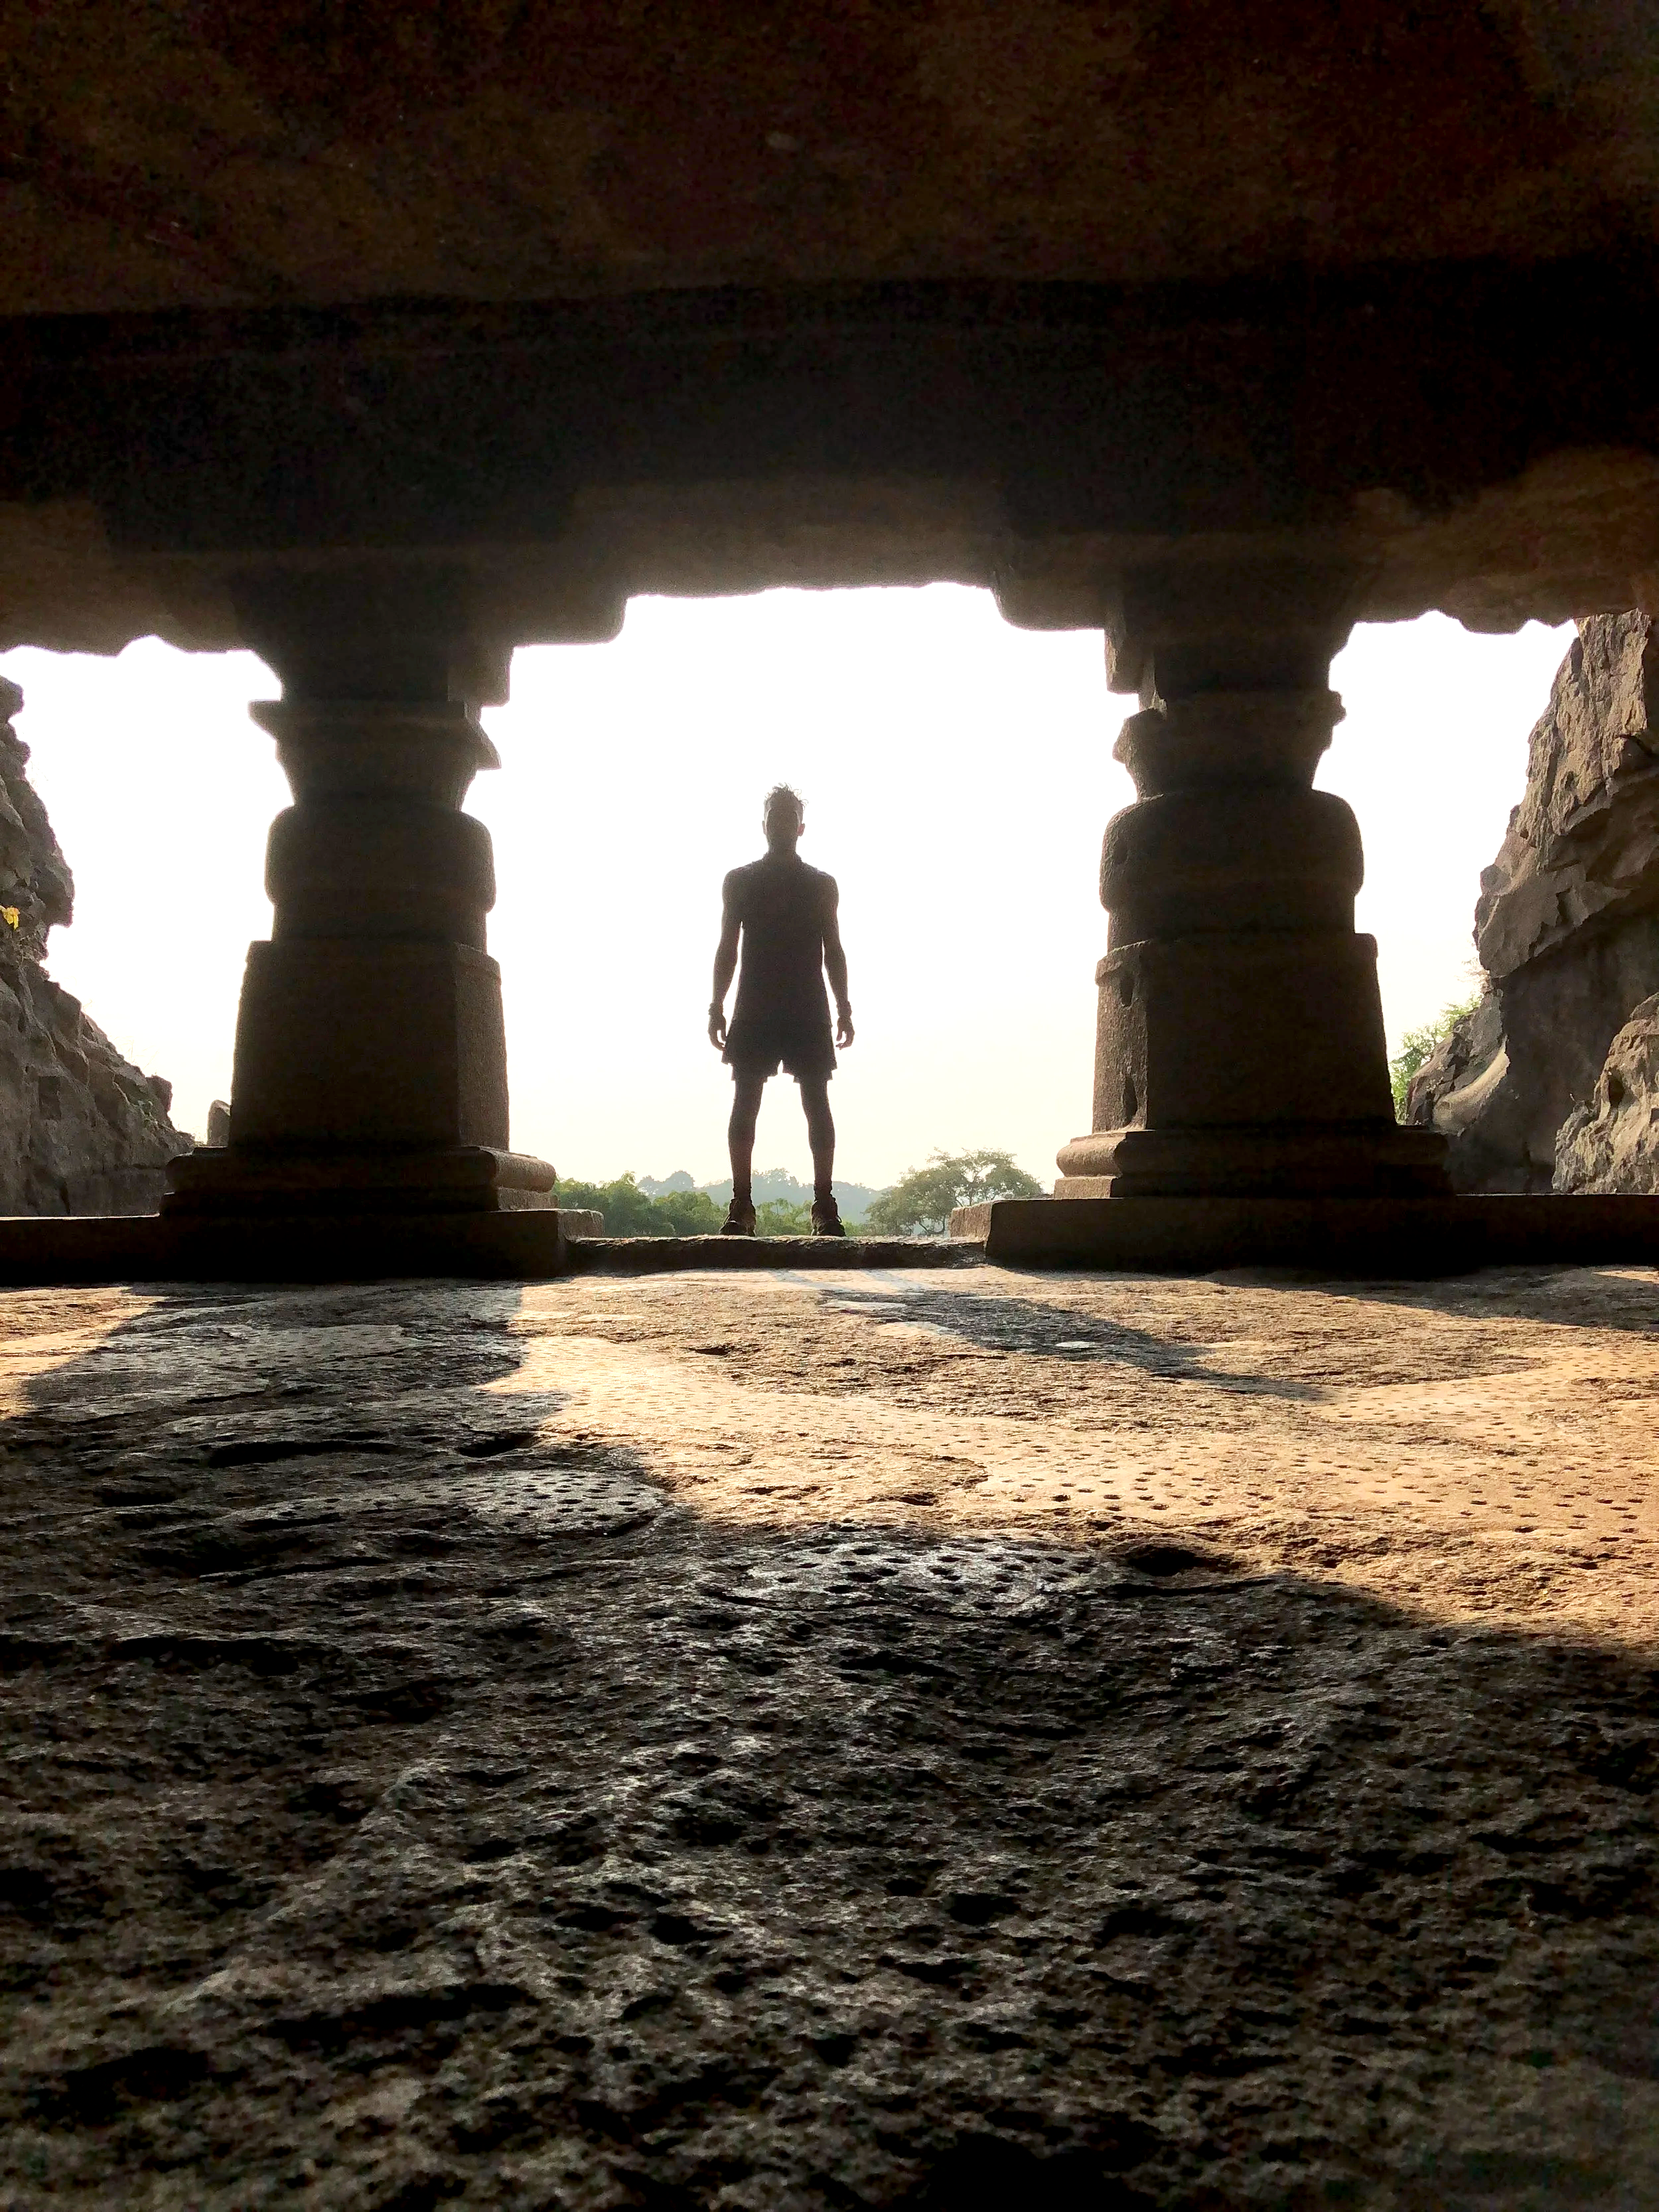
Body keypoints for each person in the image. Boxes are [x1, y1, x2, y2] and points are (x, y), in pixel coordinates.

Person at [709, 784, 854, 1235]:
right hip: (755, 1003)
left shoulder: (820, 886)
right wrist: (716, 1003)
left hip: (808, 1004)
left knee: (816, 1102)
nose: (782, 824)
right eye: (776, 816)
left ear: (801, 827)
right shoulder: (741, 881)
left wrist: (844, 1004)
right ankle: (742, 1203)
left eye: (789, 817)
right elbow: (727, 948)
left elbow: (834, 949)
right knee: (745, 1101)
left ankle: (824, 1204)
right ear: (765, 824)